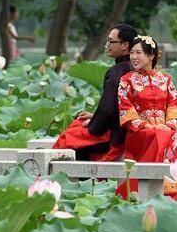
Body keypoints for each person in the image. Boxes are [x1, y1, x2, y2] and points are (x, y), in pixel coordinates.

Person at [117, 35, 177, 200]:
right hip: (139, 133)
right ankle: (160, 192)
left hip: (165, 129)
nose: (134, 57)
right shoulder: (126, 81)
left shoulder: (165, 79)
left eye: (138, 53)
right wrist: (149, 127)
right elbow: (126, 109)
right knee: (158, 135)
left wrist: (170, 124)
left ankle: (176, 191)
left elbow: (174, 104)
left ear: (151, 56)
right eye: (131, 53)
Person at [52, 23, 137, 161]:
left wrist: (93, 125)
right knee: (79, 126)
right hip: (131, 131)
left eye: (111, 41)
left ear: (125, 45)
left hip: (117, 136)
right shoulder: (138, 68)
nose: (107, 45)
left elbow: (108, 109)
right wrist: (94, 116)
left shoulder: (117, 72)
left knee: (71, 137)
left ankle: (77, 179)